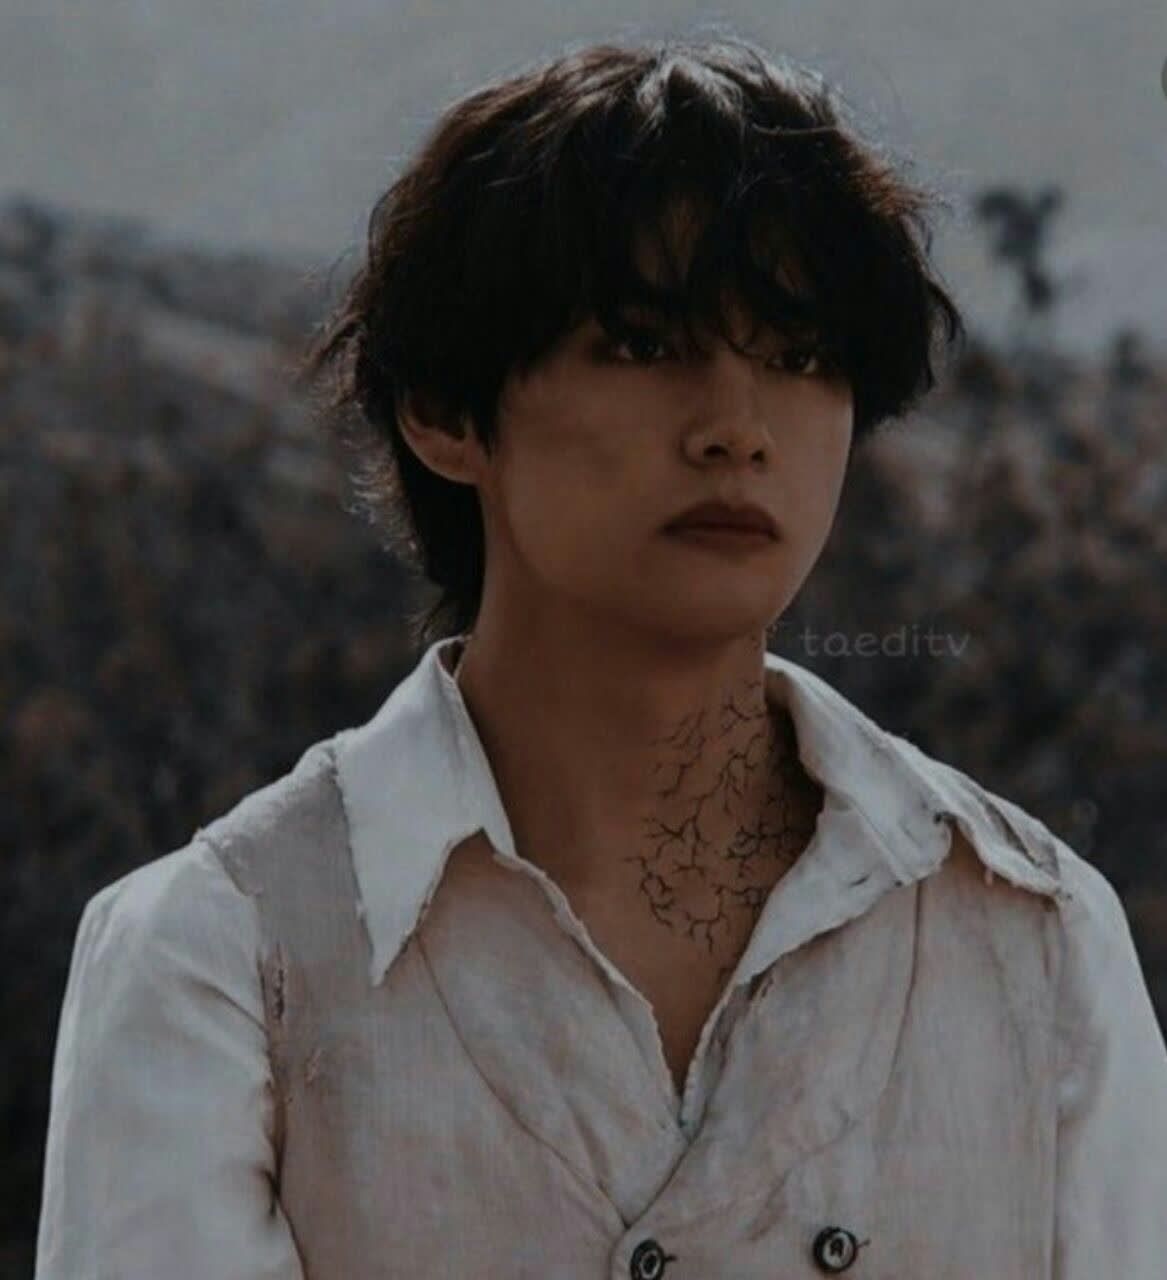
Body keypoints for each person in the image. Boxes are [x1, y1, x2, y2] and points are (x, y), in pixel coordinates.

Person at [36, 33, 1167, 1280]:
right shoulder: (223, 954)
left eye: (801, 357)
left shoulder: (1034, 935)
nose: (736, 427)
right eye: (644, 343)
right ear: (447, 410)